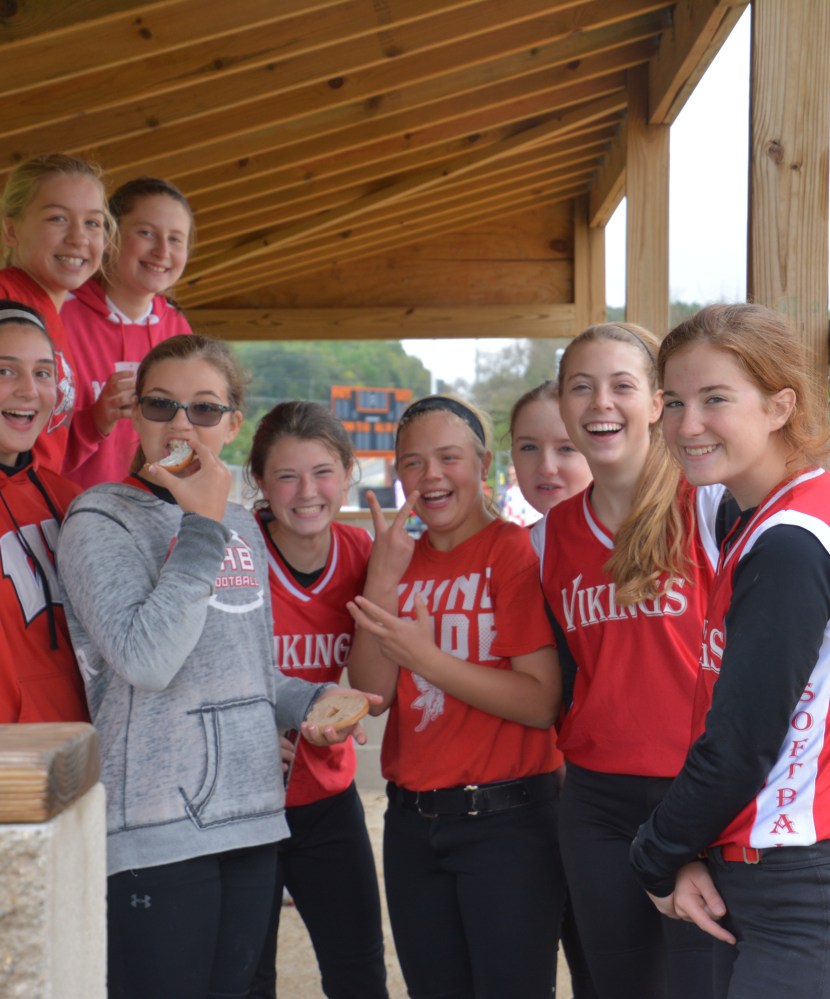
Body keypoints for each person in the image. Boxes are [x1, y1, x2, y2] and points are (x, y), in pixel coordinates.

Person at [56, 334, 376, 999]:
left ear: (232, 424)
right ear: (136, 415)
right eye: (161, 404)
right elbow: (146, 660)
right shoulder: (100, 518)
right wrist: (201, 527)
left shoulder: (239, 524)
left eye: (204, 409)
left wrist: (312, 699)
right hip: (155, 828)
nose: (181, 424)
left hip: (252, 815)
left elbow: (249, 668)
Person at [630, 303, 830, 998]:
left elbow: (741, 743)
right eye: (674, 402)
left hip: (794, 881)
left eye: (716, 399)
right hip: (761, 864)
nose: (688, 425)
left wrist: (655, 853)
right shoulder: (762, 516)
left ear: (780, 407)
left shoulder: (790, 541)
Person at [531, 323, 730, 999]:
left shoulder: (711, 506)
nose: (600, 404)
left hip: (699, 792)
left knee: (701, 984)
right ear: (562, 405)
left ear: (655, 403)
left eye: (621, 385)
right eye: (580, 388)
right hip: (596, 803)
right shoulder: (549, 537)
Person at [348, 394, 564, 999]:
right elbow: (371, 692)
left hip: (508, 823)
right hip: (413, 823)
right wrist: (382, 579)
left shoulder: (511, 550)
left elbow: (539, 701)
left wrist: (428, 660)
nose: (431, 475)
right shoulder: (397, 561)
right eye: (413, 463)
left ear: (483, 464)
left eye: (449, 457)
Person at [245, 400, 388, 999]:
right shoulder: (233, 552)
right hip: (241, 802)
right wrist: (250, 730)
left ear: (349, 473)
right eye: (286, 475)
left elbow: (375, 690)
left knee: (359, 974)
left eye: (323, 472)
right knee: (247, 980)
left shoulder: (362, 554)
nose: (307, 492)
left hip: (325, 795)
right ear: (259, 480)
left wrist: (390, 570)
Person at [509, 379, 597, 999]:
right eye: (528, 448)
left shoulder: (652, 534)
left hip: (617, 791)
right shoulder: (521, 549)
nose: (547, 467)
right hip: (544, 796)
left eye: (566, 448)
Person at [61, 177, 194, 488]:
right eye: (146, 233)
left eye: (176, 239)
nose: (162, 250)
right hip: (65, 506)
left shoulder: (177, 327)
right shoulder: (62, 314)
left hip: (150, 506)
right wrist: (96, 419)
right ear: (109, 237)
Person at [0, 299, 87, 723]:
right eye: (5, 371)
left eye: (43, 373)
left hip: (79, 748)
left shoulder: (72, 502)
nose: (29, 391)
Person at [0, 153, 111, 472]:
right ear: (11, 231)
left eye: (92, 223)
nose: (78, 238)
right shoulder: (6, 299)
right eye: (57, 218)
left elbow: (47, 452)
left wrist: (97, 420)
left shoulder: (51, 317)